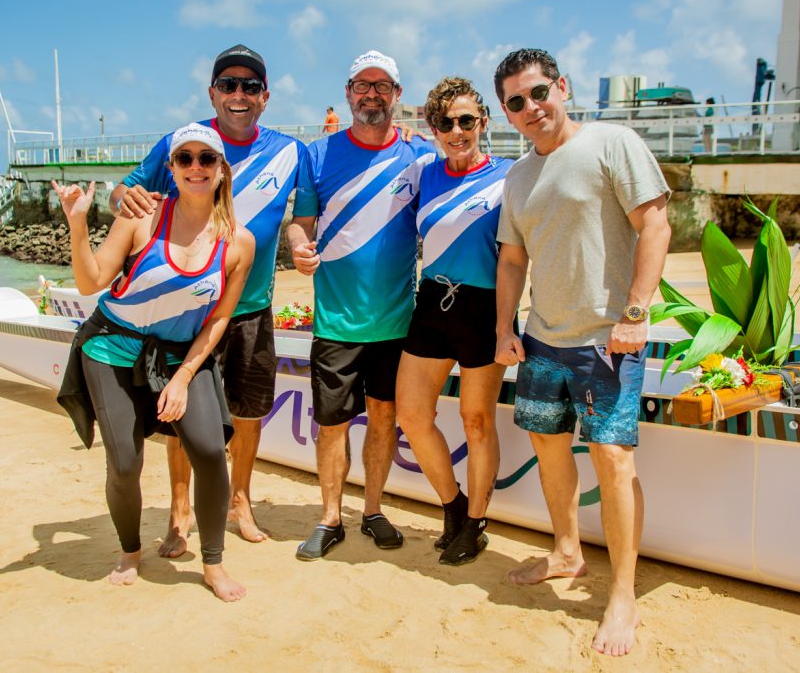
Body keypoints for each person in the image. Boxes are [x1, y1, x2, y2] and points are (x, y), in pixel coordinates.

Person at [493, 48, 671, 656]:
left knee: (612, 461)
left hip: (607, 340)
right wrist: (504, 328)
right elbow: (513, 259)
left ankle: (623, 593)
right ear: (507, 113)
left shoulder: (612, 143)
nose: (531, 108)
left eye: (538, 92)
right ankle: (566, 551)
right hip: (543, 337)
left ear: (562, 87)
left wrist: (637, 312)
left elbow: (655, 223)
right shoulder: (517, 178)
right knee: (547, 448)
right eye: (516, 101)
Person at [109, 45, 319, 549]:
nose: (239, 94)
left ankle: (240, 500)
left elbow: (300, 219)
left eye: (250, 86)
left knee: (248, 415)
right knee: (177, 414)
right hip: (187, 313)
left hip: (250, 309)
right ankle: (179, 510)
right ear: (213, 93)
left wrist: (300, 246)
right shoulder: (183, 144)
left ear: (265, 97)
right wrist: (124, 199)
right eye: (228, 84)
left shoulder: (293, 152)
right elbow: (123, 191)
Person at [55, 123, 255, 601]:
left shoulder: (239, 242)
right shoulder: (143, 217)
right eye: (184, 159)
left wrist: (185, 376)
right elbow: (91, 283)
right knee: (124, 463)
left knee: (209, 451)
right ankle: (129, 552)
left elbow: (218, 321)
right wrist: (77, 223)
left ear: (222, 171)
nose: (195, 167)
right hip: (111, 344)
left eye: (206, 159)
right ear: (171, 169)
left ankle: (212, 564)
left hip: (181, 355)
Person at [287, 50, 437, 560]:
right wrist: (297, 247)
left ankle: (372, 510)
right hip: (335, 322)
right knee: (330, 427)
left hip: (397, 322)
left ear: (397, 95)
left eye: (382, 86)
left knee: (383, 418)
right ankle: (330, 517)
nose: (371, 94)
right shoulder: (318, 155)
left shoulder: (418, 158)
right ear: (348, 93)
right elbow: (301, 221)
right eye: (362, 85)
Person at [394, 77, 513, 566]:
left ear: (484, 122)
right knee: (413, 416)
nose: (457, 130)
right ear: (434, 127)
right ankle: (453, 506)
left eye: (467, 120)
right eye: (446, 122)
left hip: (485, 310)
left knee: (477, 421)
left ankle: (478, 522)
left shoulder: (512, 175)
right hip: (431, 304)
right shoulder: (424, 172)